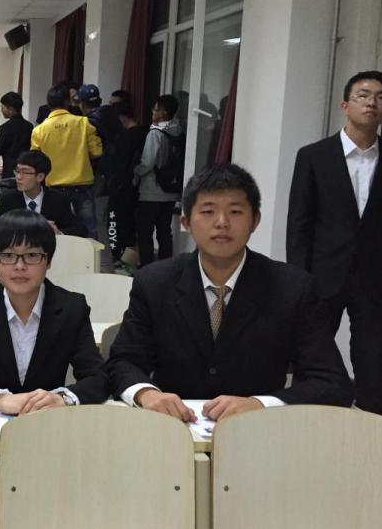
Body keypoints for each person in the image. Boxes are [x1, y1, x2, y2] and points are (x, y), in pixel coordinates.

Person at [107, 164, 353, 422]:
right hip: (172, 428)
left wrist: (261, 404)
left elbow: (332, 382)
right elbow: (123, 361)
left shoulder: (293, 288)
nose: (222, 223)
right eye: (208, 211)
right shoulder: (155, 282)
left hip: (258, 430)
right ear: (186, 222)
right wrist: (146, 393)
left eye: (235, 211)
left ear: (255, 220)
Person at [287, 70, 382, 415]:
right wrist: (298, 279)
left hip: (376, 277)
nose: (372, 103)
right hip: (322, 274)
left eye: (381, 97)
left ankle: (373, 428)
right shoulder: (314, 156)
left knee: (374, 359)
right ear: (346, 105)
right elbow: (299, 223)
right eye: (363, 95)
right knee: (311, 354)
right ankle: (308, 420)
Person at [0, 209, 108, 412]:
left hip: (50, 418)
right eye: (8, 255)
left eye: (32, 255)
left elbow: (97, 377)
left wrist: (62, 398)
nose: (19, 266)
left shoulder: (72, 307)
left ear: (48, 261)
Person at [31, 85, 102, 239]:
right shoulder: (83, 123)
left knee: (54, 229)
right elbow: (97, 152)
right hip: (82, 184)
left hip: (53, 186)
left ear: (48, 104)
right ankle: (89, 255)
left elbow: (36, 160)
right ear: (67, 102)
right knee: (88, 228)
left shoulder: (39, 130)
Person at [134, 94, 182, 268]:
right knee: (164, 230)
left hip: (152, 190)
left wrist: (135, 172)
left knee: (145, 231)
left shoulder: (155, 133)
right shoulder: (178, 132)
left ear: (163, 113)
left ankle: (147, 267)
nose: (152, 112)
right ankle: (167, 266)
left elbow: (148, 162)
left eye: (155, 109)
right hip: (170, 191)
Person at [0, 150, 87, 237]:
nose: (18, 177)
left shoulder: (58, 199)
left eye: (25, 172)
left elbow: (79, 229)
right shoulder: (8, 199)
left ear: (40, 177)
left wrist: (58, 233)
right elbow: (0, 230)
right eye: (17, 171)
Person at [107, 103, 147, 268]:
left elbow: (118, 163)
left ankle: (117, 256)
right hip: (140, 187)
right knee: (132, 225)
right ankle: (131, 259)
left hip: (121, 186)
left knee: (114, 221)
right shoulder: (146, 133)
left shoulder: (125, 137)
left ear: (121, 118)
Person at [0, 91, 33, 179]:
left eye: (3, 108)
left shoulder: (5, 128)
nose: (1, 110)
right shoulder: (29, 126)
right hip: (27, 172)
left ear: (10, 109)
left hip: (9, 173)